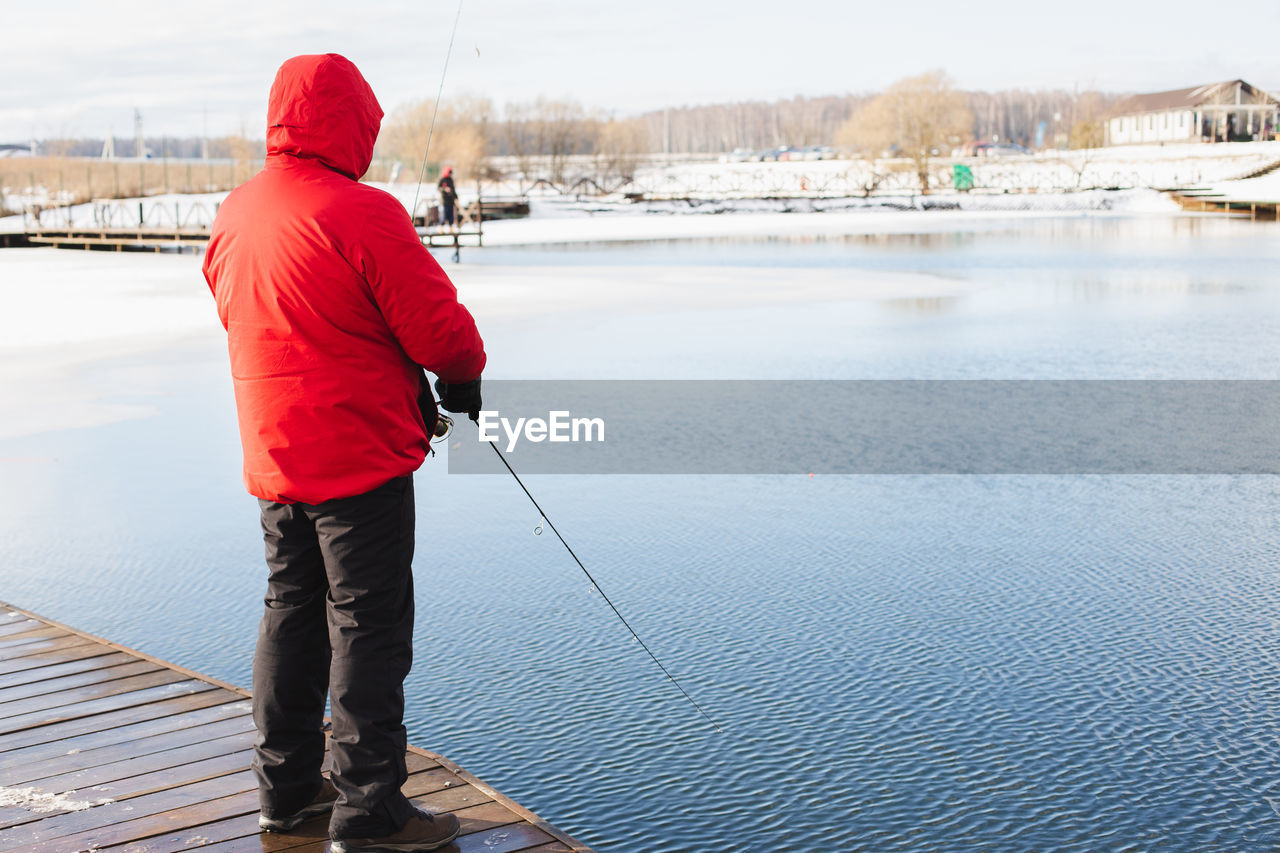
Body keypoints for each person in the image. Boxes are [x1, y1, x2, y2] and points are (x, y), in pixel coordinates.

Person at [202, 53, 486, 853]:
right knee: (368, 624)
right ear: (352, 122)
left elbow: (239, 312)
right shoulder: (362, 211)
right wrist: (460, 380)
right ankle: (370, 809)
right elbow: (443, 334)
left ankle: (285, 792)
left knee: (289, 609)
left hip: (274, 454)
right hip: (356, 459)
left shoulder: (237, 212)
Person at [437, 167, 458, 233]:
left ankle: (451, 229)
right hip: (444, 201)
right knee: (443, 215)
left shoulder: (451, 180)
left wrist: (456, 197)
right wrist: (445, 189)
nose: (450, 175)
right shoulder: (442, 180)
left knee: (451, 216)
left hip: (451, 201)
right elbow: (439, 188)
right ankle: (441, 228)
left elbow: (453, 190)